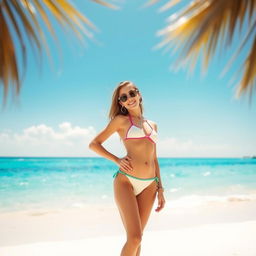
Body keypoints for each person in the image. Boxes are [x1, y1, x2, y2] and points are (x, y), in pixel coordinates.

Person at [89, 80, 165, 256]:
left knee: (139, 239)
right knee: (135, 238)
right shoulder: (120, 121)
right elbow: (94, 144)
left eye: (132, 93)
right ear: (121, 103)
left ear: (139, 94)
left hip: (150, 185)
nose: (129, 98)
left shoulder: (153, 125)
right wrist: (117, 159)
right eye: (124, 97)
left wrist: (160, 188)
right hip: (126, 182)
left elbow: (154, 158)